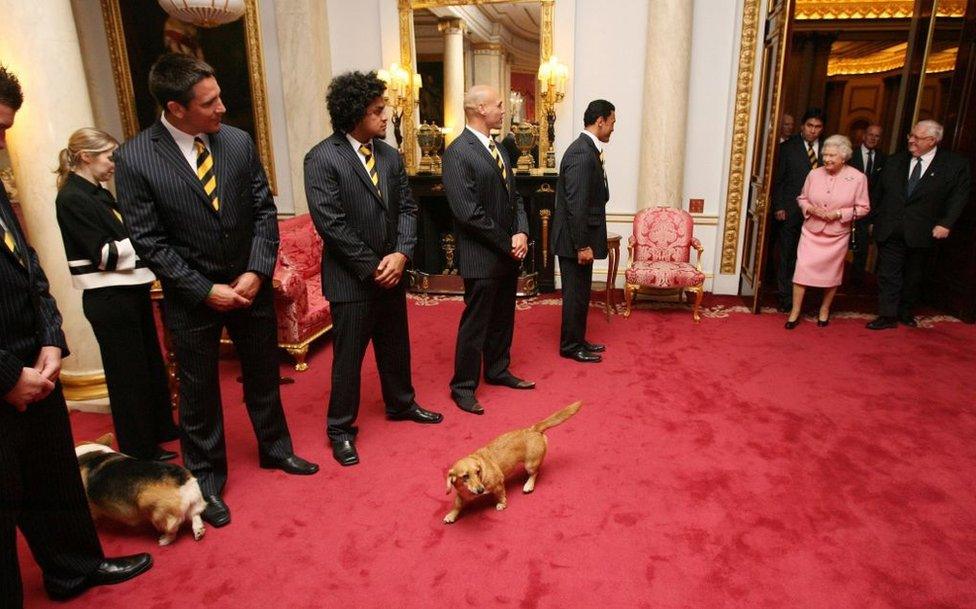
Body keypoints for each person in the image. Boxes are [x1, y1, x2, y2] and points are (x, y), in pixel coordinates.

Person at [114, 53, 318, 529]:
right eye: (210, 102)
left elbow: (264, 212)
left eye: (221, 96)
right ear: (175, 108)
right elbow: (149, 242)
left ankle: (276, 449)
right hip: (192, 298)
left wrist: (256, 269)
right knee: (200, 389)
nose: (222, 108)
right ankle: (205, 477)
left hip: (250, 286)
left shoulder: (237, 142)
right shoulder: (136, 157)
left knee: (263, 373)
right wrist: (205, 289)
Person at [0, 65, 152, 608]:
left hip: (33, 361)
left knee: (54, 478)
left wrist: (49, 341)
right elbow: (102, 256)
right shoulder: (74, 198)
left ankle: (75, 568)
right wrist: (6, 374)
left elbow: (31, 272)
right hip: (4, 375)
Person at [304, 71, 443, 467]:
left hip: (392, 272)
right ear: (353, 114)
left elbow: (409, 209)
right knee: (348, 359)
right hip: (352, 280)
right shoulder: (321, 158)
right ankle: (340, 429)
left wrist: (400, 254)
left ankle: (402, 404)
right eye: (377, 111)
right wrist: (372, 267)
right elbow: (331, 224)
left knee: (396, 346)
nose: (386, 117)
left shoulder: (387, 154)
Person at [53, 128, 179, 462]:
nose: (114, 165)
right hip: (108, 300)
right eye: (110, 157)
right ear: (85, 157)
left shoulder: (97, 193)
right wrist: (146, 235)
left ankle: (161, 429)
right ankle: (139, 447)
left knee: (149, 365)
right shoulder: (72, 198)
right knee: (128, 377)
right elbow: (105, 255)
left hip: (129, 292)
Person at [442, 85, 532, 415]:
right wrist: (506, 241)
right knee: (475, 324)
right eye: (497, 105)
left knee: (503, 318)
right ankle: (463, 387)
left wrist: (521, 231)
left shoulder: (500, 148)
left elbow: (515, 198)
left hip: (507, 252)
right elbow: (468, 213)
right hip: (481, 256)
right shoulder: (457, 153)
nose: (503, 109)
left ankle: (497, 370)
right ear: (480, 109)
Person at [866, 120, 971, 330]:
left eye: (917, 137)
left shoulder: (954, 165)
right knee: (889, 273)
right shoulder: (895, 161)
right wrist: (872, 220)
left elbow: (959, 197)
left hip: (924, 230)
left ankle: (905, 312)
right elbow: (878, 193)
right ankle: (887, 315)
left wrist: (946, 223)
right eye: (910, 136)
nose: (911, 140)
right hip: (891, 226)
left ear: (932, 141)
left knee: (914, 275)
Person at [552, 99, 615, 363]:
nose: (613, 129)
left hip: (579, 238)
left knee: (581, 293)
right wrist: (582, 245)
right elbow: (576, 205)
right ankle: (570, 346)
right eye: (611, 123)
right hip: (574, 241)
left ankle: (578, 339)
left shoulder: (590, 150)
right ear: (599, 121)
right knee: (575, 295)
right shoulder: (581, 153)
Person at [785, 135, 869, 329]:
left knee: (832, 275)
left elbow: (864, 208)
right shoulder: (814, 174)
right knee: (801, 270)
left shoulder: (858, 178)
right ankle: (795, 311)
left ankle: (824, 310)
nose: (827, 159)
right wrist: (811, 209)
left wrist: (839, 213)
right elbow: (802, 198)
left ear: (844, 157)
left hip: (836, 234)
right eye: (825, 155)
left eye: (832, 155)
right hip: (812, 231)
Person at [772, 108, 825, 312]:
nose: (813, 130)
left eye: (818, 127)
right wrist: (779, 206)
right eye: (810, 126)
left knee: (811, 256)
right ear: (803, 126)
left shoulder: (828, 149)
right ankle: (785, 297)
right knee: (787, 254)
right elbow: (779, 179)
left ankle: (808, 299)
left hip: (818, 212)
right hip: (791, 209)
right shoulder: (788, 148)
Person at [847, 123, 886, 284]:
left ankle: (855, 284)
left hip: (867, 212)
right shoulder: (850, 155)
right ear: (864, 136)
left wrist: (874, 218)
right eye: (871, 135)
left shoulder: (884, 159)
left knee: (861, 250)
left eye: (877, 136)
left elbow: (881, 189)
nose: (873, 138)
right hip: (847, 207)